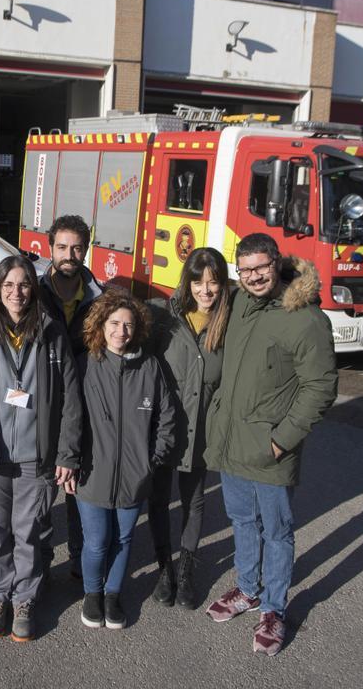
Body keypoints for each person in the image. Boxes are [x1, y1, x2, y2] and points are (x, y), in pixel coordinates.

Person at [203, 233, 337, 656]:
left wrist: (283, 440)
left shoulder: (305, 318)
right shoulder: (241, 301)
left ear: (276, 263)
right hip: (231, 439)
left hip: (270, 444)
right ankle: (247, 588)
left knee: (276, 531)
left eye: (261, 268)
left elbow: (321, 387)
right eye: (245, 270)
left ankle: (274, 608)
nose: (254, 277)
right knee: (242, 520)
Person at [0, 255, 82, 642]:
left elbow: (71, 401)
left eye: (24, 284)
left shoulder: (52, 334)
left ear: (34, 289)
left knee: (27, 533)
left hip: (34, 457)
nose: (16, 293)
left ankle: (24, 599)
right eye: (8, 285)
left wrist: (67, 454)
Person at [57, 290, 176, 630]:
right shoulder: (85, 365)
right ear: (100, 325)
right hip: (92, 474)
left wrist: (153, 459)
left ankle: (112, 593)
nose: (120, 331)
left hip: (135, 475)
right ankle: (92, 594)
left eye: (128, 324)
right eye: (114, 323)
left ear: (137, 328)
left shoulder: (149, 366)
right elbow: (69, 417)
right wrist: (69, 458)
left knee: (123, 539)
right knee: (96, 541)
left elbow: (166, 417)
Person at [147, 248, 229, 610]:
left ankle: (187, 571)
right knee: (160, 500)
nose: (205, 290)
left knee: (194, 502)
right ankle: (164, 568)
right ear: (187, 282)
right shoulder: (165, 318)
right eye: (198, 281)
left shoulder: (230, 324)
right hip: (165, 427)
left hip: (204, 431)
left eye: (213, 282)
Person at [37, 214, 103, 578]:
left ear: (86, 250)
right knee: (43, 489)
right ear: (50, 248)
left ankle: (80, 562)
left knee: (76, 487)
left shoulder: (100, 299)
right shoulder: (32, 293)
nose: (69, 254)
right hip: (42, 409)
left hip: (84, 409)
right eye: (61, 247)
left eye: (77, 247)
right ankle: (42, 560)